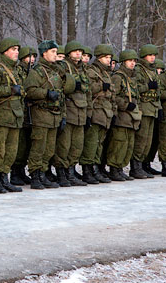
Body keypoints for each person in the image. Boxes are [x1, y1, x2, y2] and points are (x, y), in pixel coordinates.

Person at [24, 40, 72, 189]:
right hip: (41, 114)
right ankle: (35, 175)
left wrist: (63, 115)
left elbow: (62, 95)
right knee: (38, 147)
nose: (55, 54)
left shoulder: (56, 71)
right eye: (52, 52)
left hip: (54, 115)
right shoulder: (37, 71)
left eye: (56, 52)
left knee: (49, 149)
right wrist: (46, 93)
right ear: (44, 53)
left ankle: (43, 173)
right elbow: (30, 91)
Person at [0, 37, 24, 193]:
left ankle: (5, 178)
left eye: (17, 49)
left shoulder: (16, 70)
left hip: (15, 116)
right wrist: (11, 90)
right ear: (5, 51)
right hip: (1, 116)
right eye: (13, 49)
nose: (16, 52)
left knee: (11, 150)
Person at [53, 41, 91, 186]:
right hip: (69, 110)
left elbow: (88, 92)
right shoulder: (62, 67)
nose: (78, 54)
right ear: (69, 53)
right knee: (64, 145)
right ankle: (62, 173)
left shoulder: (83, 69)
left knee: (77, 146)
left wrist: (89, 113)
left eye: (80, 51)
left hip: (81, 111)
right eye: (75, 51)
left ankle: (71, 171)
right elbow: (61, 87)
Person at [79, 44, 115, 183]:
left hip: (106, 112)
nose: (108, 60)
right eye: (106, 57)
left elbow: (112, 94)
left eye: (110, 57)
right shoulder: (91, 71)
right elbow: (88, 88)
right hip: (96, 110)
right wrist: (101, 86)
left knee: (99, 142)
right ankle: (87, 170)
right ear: (99, 57)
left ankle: (95, 167)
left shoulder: (106, 73)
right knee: (91, 142)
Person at [107, 50, 143, 181]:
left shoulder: (131, 78)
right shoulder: (118, 77)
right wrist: (125, 105)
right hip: (122, 116)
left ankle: (120, 168)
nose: (132, 63)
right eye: (130, 61)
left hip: (131, 118)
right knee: (119, 144)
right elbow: (113, 96)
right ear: (123, 62)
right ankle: (114, 169)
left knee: (128, 145)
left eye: (134, 61)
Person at [133, 44, 162, 178]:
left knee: (148, 140)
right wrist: (147, 86)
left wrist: (159, 108)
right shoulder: (139, 70)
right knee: (141, 139)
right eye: (150, 55)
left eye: (154, 55)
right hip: (144, 108)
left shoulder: (153, 71)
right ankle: (136, 166)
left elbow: (158, 91)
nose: (152, 57)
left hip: (153, 108)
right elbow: (135, 88)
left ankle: (144, 164)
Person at [11, 46, 37, 187]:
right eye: (29, 56)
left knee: (27, 144)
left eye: (33, 57)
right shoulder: (18, 71)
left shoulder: (32, 71)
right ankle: (15, 172)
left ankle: (21, 171)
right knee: (19, 144)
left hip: (30, 112)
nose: (32, 59)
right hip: (21, 110)